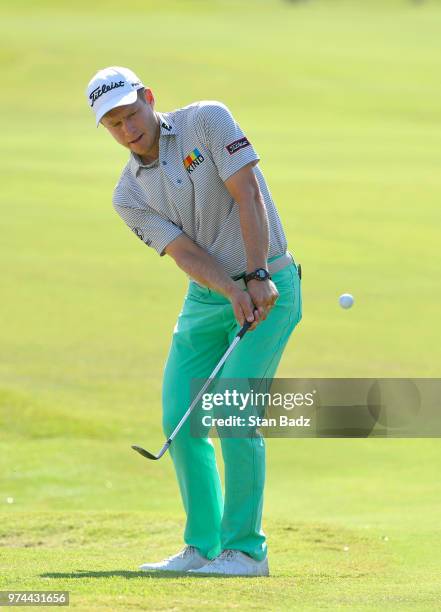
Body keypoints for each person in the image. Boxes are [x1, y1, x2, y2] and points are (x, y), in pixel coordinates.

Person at [85, 66, 302, 577]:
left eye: (131, 113)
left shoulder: (208, 120)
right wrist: (229, 289)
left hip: (270, 284)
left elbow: (247, 193)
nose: (127, 129)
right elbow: (182, 250)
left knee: (232, 411)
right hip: (209, 298)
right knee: (179, 416)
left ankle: (246, 551)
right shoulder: (128, 196)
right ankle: (203, 547)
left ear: (149, 98)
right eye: (113, 123)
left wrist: (253, 277)